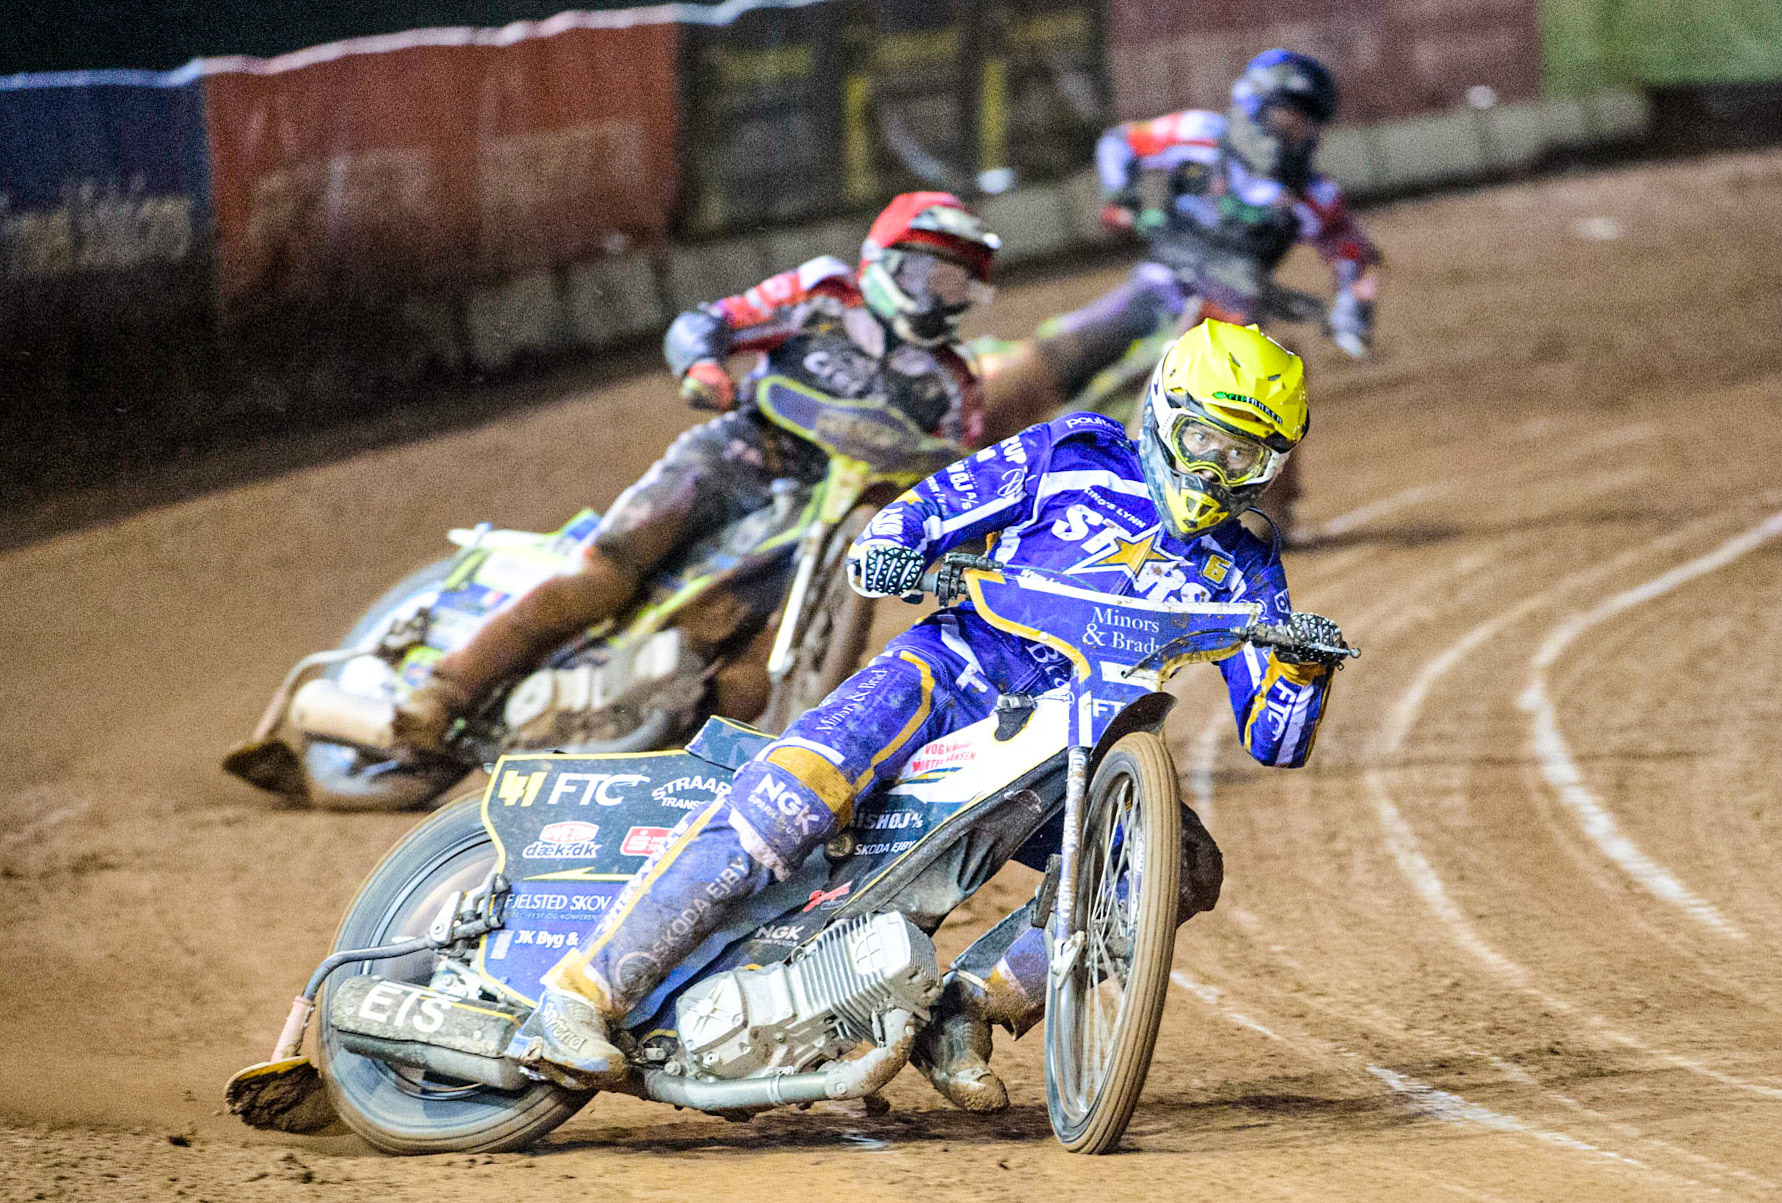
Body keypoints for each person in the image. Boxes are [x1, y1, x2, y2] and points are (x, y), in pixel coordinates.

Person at [506, 319, 1351, 1111]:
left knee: (1179, 867)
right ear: (1166, 415)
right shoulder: (1070, 455)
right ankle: (581, 994)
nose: (1213, 468)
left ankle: (971, 1005)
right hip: (947, 675)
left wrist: (1303, 666)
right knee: (789, 799)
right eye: (1204, 438)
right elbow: (931, 506)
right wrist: (894, 547)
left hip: (1069, 750)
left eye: (1241, 454)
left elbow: (1275, 739)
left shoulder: (1244, 565)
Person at [390, 192, 1001, 753]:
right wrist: (704, 366)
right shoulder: (822, 296)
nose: (944, 297)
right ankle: (446, 689)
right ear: (886, 262)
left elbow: (953, 472)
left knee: (748, 670)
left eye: (959, 287)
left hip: (827, 513)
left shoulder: (951, 383)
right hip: (735, 455)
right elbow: (712, 320)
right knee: (606, 573)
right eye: (936, 276)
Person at [989, 49, 1382, 541]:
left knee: (1273, 389)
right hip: (1159, 283)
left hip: (1233, 312)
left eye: (1306, 124)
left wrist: (1353, 310)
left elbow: (1355, 257)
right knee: (1054, 357)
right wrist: (1120, 197)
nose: (1293, 133)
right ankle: (971, 448)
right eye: (1286, 116)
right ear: (1253, 106)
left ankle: (1268, 514)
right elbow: (1120, 142)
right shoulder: (1197, 135)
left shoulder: (1315, 195)